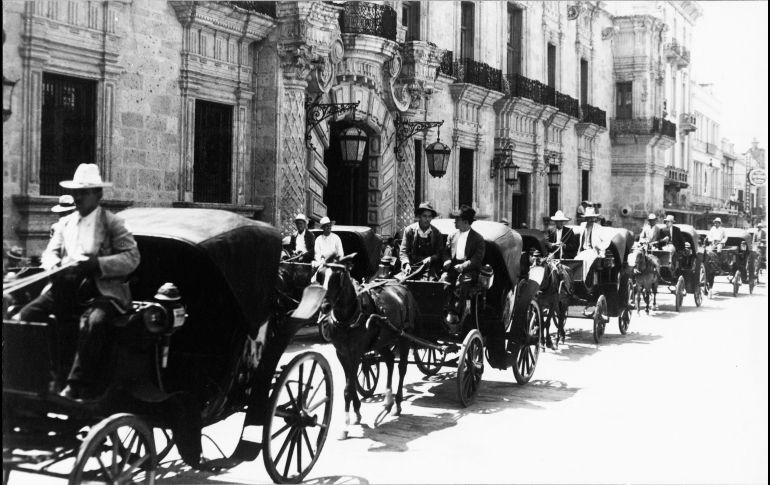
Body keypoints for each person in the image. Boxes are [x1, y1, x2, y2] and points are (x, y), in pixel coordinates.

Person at [19, 163, 140, 400]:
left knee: (93, 322)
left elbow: (132, 257)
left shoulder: (113, 223)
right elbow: (50, 253)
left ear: (98, 194)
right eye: (75, 192)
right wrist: (53, 264)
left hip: (103, 291)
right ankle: (41, 379)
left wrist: (98, 264)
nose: (77, 197)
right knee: (26, 316)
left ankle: (76, 384)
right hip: (66, 288)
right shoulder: (65, 224)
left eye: (83, 192)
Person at [439, 206, 486, 324]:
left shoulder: (478, 239)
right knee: (443, 279)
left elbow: (477, 259)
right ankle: (443, 310)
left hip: (469, 270)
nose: (454, 221)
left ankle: (457, 312)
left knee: (463, 282)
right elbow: (446, 251)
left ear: (465, 222)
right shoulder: (452, 236)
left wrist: (463, 266)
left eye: (457, 219)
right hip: (453, 268)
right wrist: (447, 260)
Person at [399, 201, 445, 278]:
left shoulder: (436, 233)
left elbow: (439, 253)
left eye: (430, 216)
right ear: (419, 216)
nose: (427, 219)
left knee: (430, 285)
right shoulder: (409, 231)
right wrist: (406, 264)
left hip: (429, 268)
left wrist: (431, 258)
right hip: (411, 266)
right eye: (424, 216)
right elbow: (403, 252)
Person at [576, 206, 608, 287]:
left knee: (586, 261)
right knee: (576, 261)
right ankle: (576, 281)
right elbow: (576, 233)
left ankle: (584, 282)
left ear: (594, 218)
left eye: (591, 218)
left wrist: (599, 247)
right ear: (585, 218)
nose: (590, 220)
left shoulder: (598, 227)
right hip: (583, 251)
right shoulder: (582, 225)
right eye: (588, 218)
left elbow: (607, 241)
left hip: (594, 251)